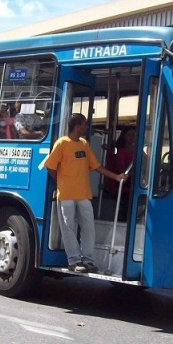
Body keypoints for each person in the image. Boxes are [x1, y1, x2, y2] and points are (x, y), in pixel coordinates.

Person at [44, 113, 128, 273]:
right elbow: (50, 166)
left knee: (88, 227)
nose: (86, 127)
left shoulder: (83, 144)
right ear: (77, 126)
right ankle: (74, 261)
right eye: (84, 124)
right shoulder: (62, 143)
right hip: (66, 194)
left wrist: (116, 177)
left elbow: (96, 166)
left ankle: (87, 260)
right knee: (68, 228)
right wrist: (60, 182)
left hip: (83, 193)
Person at [106, 126, 135, 220]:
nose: (132, 137)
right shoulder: (121, 151)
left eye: (134, 135)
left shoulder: (137, 151)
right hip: (126, 181)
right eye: (129, 135)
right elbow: (121, 169)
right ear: (124, 137)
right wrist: (133, 174)